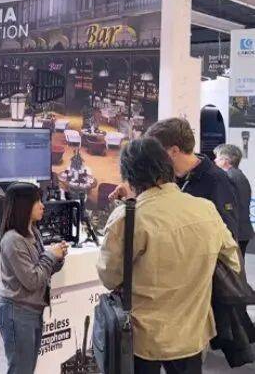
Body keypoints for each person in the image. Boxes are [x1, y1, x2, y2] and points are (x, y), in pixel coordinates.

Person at [98, 138, 240, 374]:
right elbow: (232, 260)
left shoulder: (128, 217)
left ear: (129, 176)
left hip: (144, 336)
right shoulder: (205, 208)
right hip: (192, 330)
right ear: (167, 166)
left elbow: (109, 277)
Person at [110, 117, 239, 239]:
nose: (151, 158)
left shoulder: (217, 180)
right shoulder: (164, 177)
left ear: (174, 151)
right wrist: (131, 196)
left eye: (155, 152)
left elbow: (229, 234)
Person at [0, 182, 68, 374]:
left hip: (31, 312)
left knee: (26, 369)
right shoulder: (13, 240)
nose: (42, 206)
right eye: (37, 201)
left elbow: (42, 272)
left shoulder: (33, 232)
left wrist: (58, 258)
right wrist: (51, 256)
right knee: (21, 369)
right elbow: (32, 280)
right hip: (17, 312)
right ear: (23, 205)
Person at [214, 143, 254, 254]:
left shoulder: (229, 177)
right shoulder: (239, 175)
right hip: (242, 230)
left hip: (235, 232)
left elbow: (229, 207)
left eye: (217, 157)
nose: (215, 160)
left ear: (225, 160)